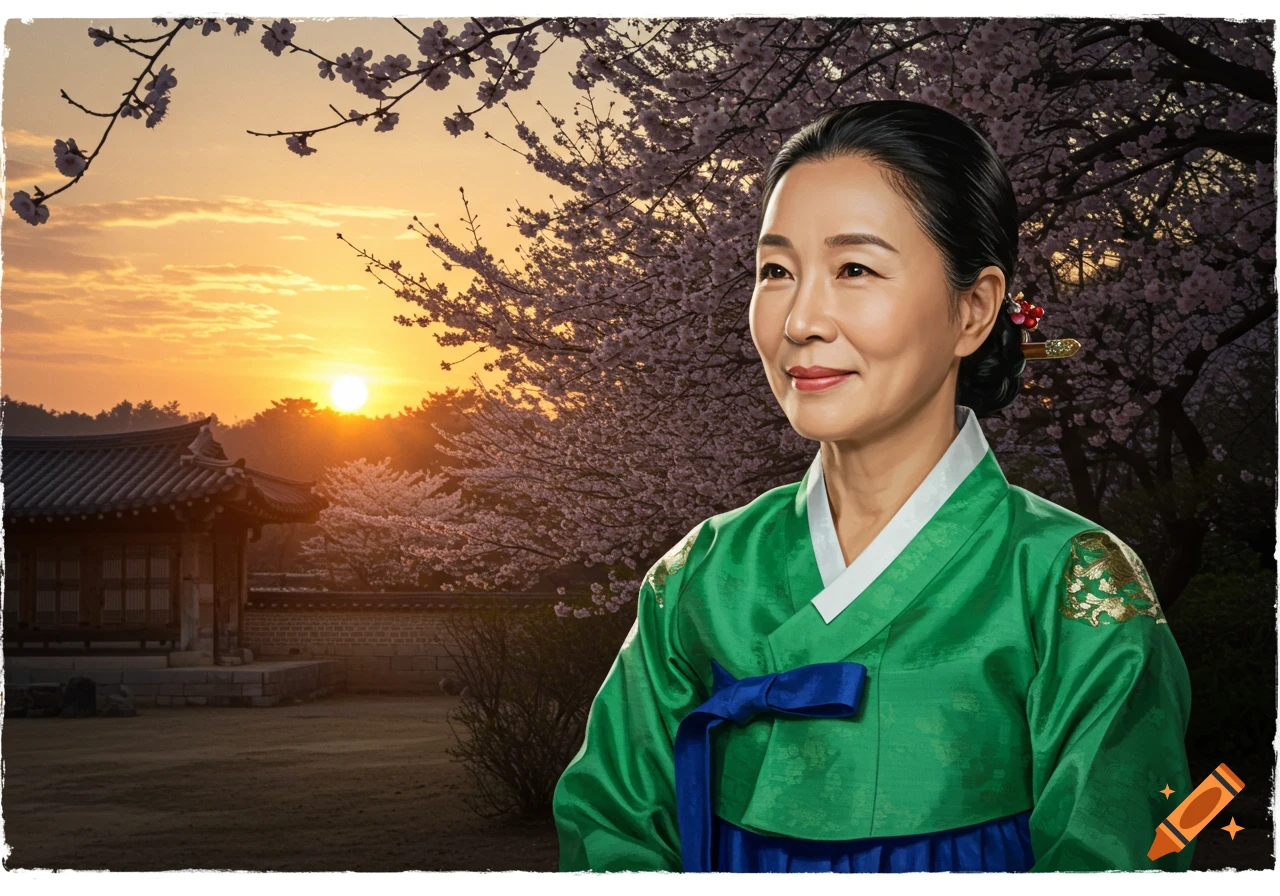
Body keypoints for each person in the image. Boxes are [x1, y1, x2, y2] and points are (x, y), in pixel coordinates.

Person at [551, 100, 1194, 873]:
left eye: (854, 269)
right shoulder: (703, 574)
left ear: (973, 309)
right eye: (776, 272)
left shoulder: (1072, 582)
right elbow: (609, 823)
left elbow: (1122, 855)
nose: (801, 321)